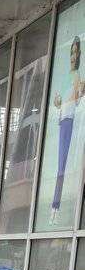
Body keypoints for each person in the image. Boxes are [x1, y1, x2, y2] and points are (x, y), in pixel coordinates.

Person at [50, 35, 83, 222]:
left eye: (75, 53)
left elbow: (77, 101)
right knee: (60, 166)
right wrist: (58, 103)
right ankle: (56, 206)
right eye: (72, 52)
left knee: (62, 167)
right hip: (63, 121)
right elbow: (61, 103)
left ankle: (57, 206)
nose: (73, 56)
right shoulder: (66, 77)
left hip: (69, 122)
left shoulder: (76, 76)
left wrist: (75, 95)